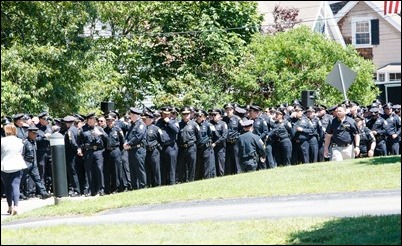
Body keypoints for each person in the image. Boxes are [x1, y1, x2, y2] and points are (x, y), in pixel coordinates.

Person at [77, 112, 108, 196]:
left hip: (98, 151)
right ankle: (91, 190)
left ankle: (101, 189)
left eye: (94, 119)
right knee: (89, 171)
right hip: (88, 151)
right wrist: (79, 149)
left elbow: (107, 138)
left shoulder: (99, 128)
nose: (93, 121)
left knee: (99, 169)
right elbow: (78, 142)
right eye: (91, 119)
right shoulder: (82, 129)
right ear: (88, 120)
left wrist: (100, 134)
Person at [1, 124, 28, 215]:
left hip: (5, 165)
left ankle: (9, 206)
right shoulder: (20, 141)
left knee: (7, 187)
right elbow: (21, 152)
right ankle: (16, 206)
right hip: (17, 164)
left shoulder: (2, 141)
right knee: (16, 186)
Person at [21, 126, 50, 199]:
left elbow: (40, 138)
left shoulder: (33, 141)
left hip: (33, 163)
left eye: (36, 134)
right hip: (26, 163)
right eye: (34, 134)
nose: (35, 135)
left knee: (37, 179)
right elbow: (22, 154)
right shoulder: (25, 142)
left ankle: (43, 193)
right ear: (29, 133)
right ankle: (20, 194)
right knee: (22, 179)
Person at [124, 107, 147, 190]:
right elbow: (128, 135)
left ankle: (142, 186)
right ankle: (134, 187)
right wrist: (125, 142)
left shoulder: (141, 124)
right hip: (131, 149)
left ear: (135, 115)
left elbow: (138, 136)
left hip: (138, 150)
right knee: (132, 169)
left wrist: (128, 143)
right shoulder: (132, 125)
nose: (130, 116)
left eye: (131, 114)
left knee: (139, 169)